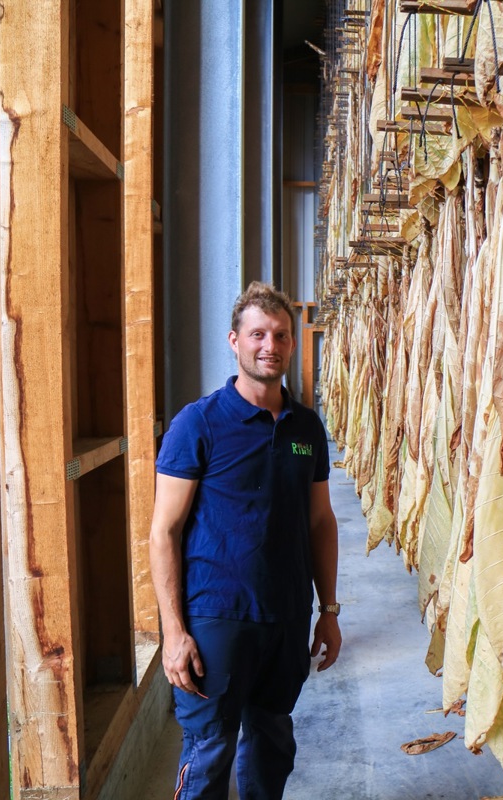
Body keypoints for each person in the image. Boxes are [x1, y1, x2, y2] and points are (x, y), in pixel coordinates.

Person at [150, 281, 342, 800]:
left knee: (271, 742)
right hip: (217, 618)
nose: (270, 345)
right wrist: (173, 632)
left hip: (284, 616)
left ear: (292, 342)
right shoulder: (200, 423)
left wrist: (328, 609)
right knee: (209, 750)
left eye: (281, 335)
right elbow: (163, 531)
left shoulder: (306, 427)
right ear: (234, 341)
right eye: (258, 334)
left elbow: (321, 522)